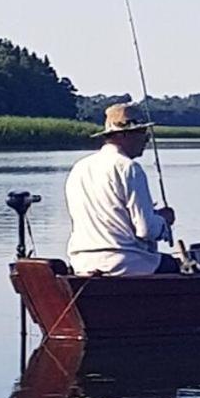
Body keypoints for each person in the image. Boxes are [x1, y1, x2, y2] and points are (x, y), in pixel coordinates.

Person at [66, 102, 178, 276]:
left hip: (81, 264)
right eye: (141, 132)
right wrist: (163, 221)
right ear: (124, 135)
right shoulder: (129, 168)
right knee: (175, 266)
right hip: (124, 262)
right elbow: (145, 230)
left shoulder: (79, 168)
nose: (147, 139)